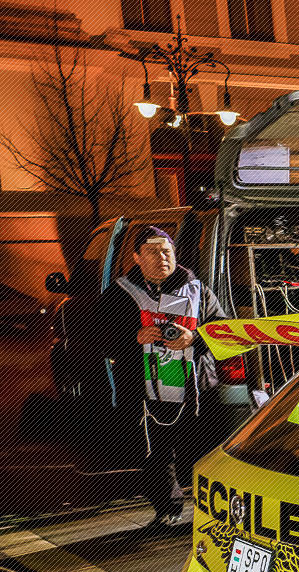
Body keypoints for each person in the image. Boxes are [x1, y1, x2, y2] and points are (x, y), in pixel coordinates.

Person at [94, 226, 226, 530]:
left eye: (166, 251)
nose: (161, 258)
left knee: (206, 450)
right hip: (144, 391)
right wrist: (134, 337)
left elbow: (223, 329)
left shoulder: (198, 290)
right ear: (137, 257)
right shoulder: (120, 293)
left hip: (194, 389)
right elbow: (99, 339)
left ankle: (217, 512)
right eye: (152, 252)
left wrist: (194, 338)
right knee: (154, 453)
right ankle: (167, 510)